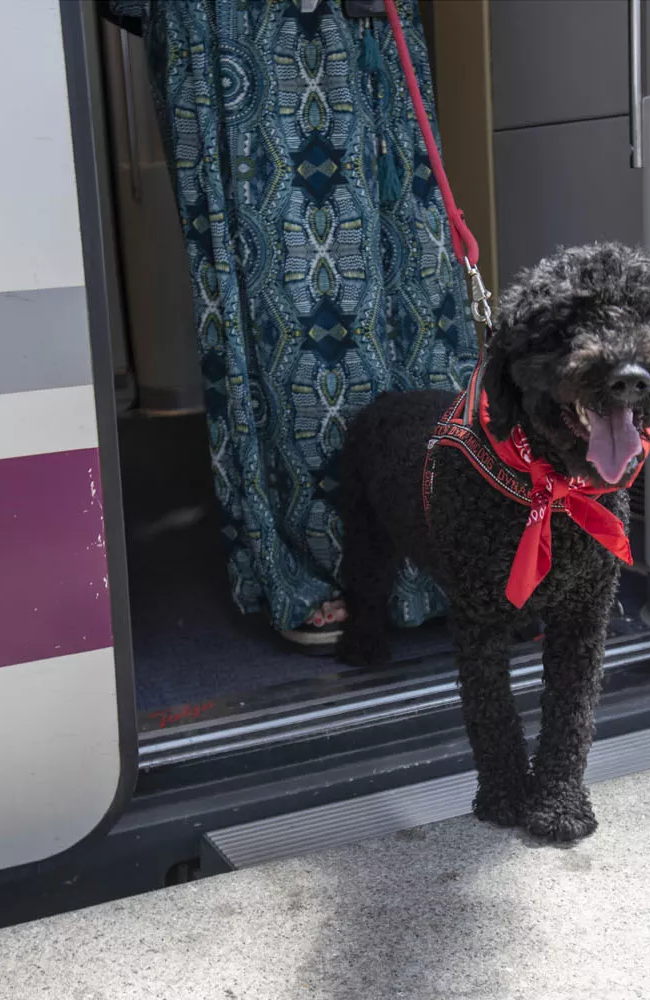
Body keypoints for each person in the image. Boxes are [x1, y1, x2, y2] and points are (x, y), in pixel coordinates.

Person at [108, 0, 476, 647]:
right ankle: (324, 565)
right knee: (296, 288)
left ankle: (450, 551)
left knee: (416, 267)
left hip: (364, 29)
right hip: (239, 27)